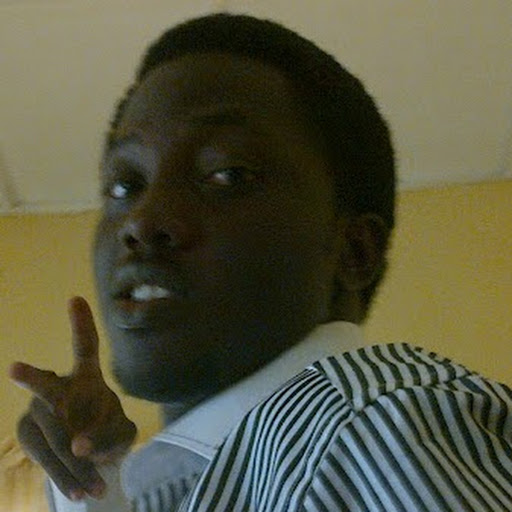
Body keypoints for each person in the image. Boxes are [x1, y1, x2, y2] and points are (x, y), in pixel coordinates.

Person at [9, 13, 512, 512]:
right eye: (125, 185)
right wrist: (93, 492)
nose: (141, 221)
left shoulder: (366, 431)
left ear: (352, 251)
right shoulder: (169, 488)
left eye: (226, 175)